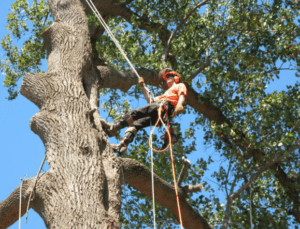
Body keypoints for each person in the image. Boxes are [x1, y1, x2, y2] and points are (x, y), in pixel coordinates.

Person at [101, 68, 187, 154]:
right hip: (160, 114)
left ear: (176, 77)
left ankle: (114, 127)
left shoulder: (180, 85)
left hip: (163, 108)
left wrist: (180, 104)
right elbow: (150, 101)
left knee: (135, 113)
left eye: (168, 76)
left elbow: (182, 95)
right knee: (136, 124)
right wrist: (142, 86)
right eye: (166, 77)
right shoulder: (165, 94)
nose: (166, 78)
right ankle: (123, 145)